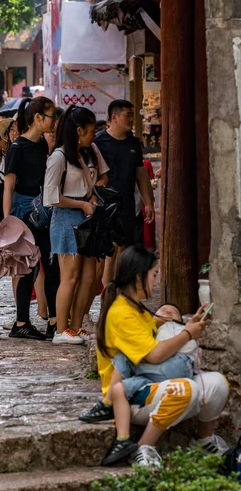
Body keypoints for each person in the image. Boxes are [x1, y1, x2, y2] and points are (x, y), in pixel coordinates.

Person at [84, 246, 229, 467]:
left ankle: (204, 440)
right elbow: (154, 354)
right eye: (153, 275)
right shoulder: (121, 314)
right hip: (131, 394)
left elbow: (152, 328)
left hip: (153, 381)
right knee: (186, 390)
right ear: (138, 277)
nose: (155, 280)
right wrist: (188, 333)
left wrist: (186, 323)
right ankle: (143, 447)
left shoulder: (137, 308)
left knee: (218, 383)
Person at [82, 304, 196, 465]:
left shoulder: (177, 329)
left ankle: (106, 404)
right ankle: (123, 439)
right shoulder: (150, 332)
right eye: (163, 310)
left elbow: (181, 349)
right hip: (150, 376)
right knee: (118, 389)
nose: (168, 311)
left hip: (177, 366)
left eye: (174, 311)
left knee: (125, 356)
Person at [44, 106, 109, 345]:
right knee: (69, 276)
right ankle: (61, 329)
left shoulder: (90, 151)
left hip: (88, 217)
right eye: (91, 131)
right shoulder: (59, 157)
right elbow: (50, 197)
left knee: (89, 276)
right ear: (79, 131)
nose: (95, 135)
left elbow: (104, 176)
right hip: (66, 217)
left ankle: (76, 325)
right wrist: (81, 205)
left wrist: (94, 195)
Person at [2, 97, 60, 340]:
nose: (55, 122)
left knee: (50, 264)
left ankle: (54, 321)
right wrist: (7, 222)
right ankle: (21, 322)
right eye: (51, 117)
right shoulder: (18, 147)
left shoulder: (41, 146)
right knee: (29, 267)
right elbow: (8, 187)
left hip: (42, 209)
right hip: (24, 213)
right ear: (38, 118)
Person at [94, 100, 154, 287]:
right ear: (114, 117)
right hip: (105, 205)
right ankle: (105, 296)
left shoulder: (134, 144)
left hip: (127, 203)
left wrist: (148, 202)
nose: (131, 119)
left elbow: (140, 175)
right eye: (127, 115)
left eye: (132, 115)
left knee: (123, 251)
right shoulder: (98, 142)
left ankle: (116, 292)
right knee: (107, 254)